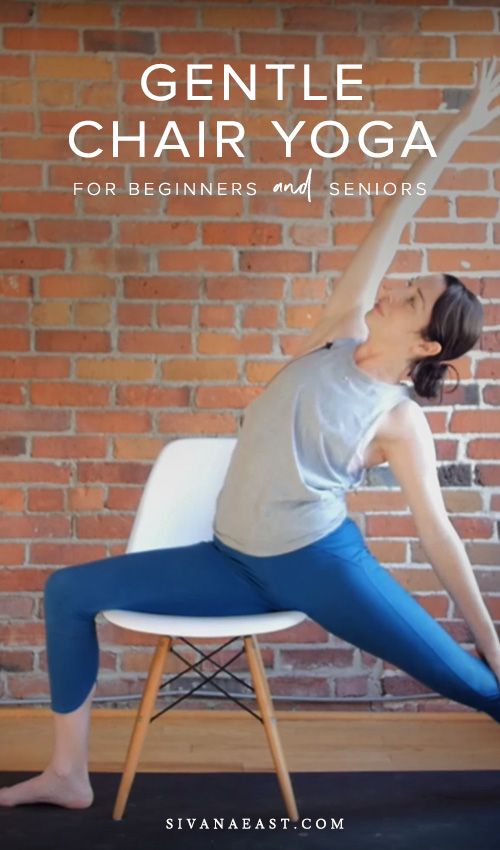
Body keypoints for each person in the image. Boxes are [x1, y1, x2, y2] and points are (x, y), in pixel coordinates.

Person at [1, 60, 499, 811]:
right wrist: (457, 129)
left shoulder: (396, 418)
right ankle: (69, 774)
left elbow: (439, 535)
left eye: (415, 295)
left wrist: (491, 639)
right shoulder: (339, 332)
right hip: (229, 558)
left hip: (323, 567)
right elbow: (393, 210)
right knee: (68, 591)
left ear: (429, 343)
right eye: (409, 280)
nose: (401, 286)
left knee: (464, 679)